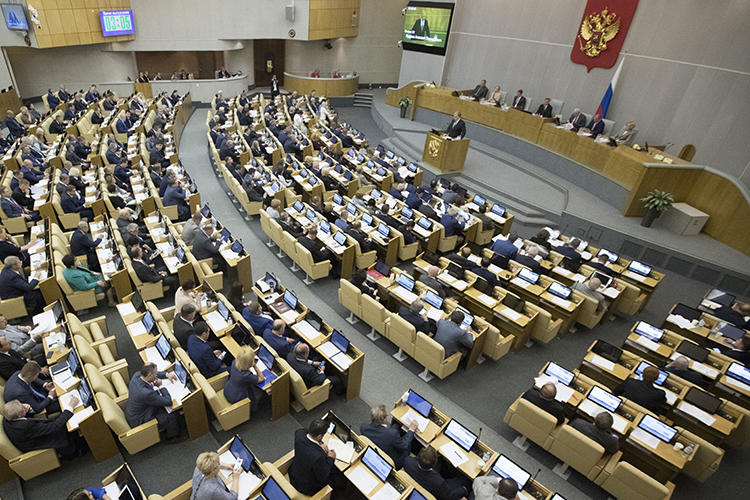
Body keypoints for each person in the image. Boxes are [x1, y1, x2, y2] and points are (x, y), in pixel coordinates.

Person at [2, 398, 80, 458]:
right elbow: (55, 426)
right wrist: (71, 407)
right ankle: (74, 451)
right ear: (19, 415)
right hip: (36, 442)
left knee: (61, 417)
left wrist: (26, 410)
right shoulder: (25, 426)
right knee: (64, 427)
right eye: (23, 407)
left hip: (30, 435)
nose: (24, 405)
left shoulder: (7, 417)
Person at [125, 363, 181, 440]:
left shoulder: (137, 375)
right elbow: (168, 401)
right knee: (172, 415)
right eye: (155, 373)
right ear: (150, 375)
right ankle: (172, 438)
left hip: (133, 411)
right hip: (140, 419)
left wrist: (166, 375)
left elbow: (155, 376)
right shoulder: (145, 393)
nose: (157, 374)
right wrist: (161, 386)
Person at [288, 419, 340, 495]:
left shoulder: (299, 434)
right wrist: (330, 458)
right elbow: (323, 477)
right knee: (335, 476)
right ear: (320, 435)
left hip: (294, 474)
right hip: (305, 487)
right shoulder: (318, 456)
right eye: (323, 435)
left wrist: (319, 444)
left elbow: (307, 435)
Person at [360, 404, 418, 470]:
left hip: (375, 450)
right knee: (408, 444)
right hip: (392, 460)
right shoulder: (392, 434)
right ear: (384, 418)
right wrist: (411, 430)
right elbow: (403, 445)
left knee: (396, 426)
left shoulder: (363, 428)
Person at [404, 446, 468, 500]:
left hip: (421, 481)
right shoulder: (439, 482)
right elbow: (449, 496)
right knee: (464, 480)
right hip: (436, 491)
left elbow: (415, 460)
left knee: (441, 461)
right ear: (434, 464)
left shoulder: (407, 461)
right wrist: (463, 490)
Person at [223, 346, 264, 412]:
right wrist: (255, 366)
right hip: (236, 397)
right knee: (259, 393)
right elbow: (262, 379)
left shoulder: (234, 362)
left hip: (228, 389)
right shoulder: (245, 375)